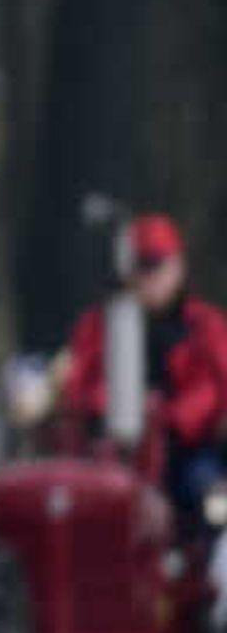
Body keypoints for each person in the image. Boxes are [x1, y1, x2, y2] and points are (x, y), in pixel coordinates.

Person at [52, 212, 227, 512]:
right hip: (110, 455)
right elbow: (79, 384)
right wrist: (114, 411)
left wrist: (169, 417)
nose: (147, 279)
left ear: (177, 267)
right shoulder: (98, 326)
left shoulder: (205, 326)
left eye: (156, 266)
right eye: (140, 267)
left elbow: (215, 390)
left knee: (208, 496)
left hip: (187, 453)